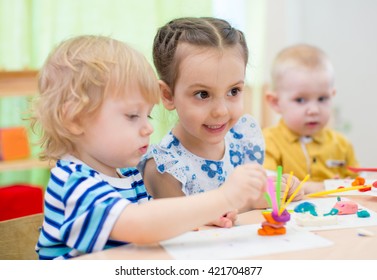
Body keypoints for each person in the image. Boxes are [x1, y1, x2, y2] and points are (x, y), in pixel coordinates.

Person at [30, 35, 269, 260]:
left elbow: (156, 222)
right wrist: (223, 197)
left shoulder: (126, 174)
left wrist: (201, 217)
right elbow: (139, 226)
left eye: (148, 116)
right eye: (133, 116)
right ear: (75, 120)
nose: (148, 129)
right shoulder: (74, 183)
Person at [139, 17, 304, 228]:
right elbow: (182, 227)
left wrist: (281, 188)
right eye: (202, 94)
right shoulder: (165, 167)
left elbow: (259, 191)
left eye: (233, 91)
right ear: (168, 95)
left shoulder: (242, 137)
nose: (221, 111)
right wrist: (251, 200)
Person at [263, 44, 359, 194]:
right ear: (275, 102)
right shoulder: (267, 142)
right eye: (300, 100)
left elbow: (358, 187)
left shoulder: (342, 145)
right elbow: (269, 188)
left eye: (322, 98)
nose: (314, 110)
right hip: (289, 216)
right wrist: (314, 187)